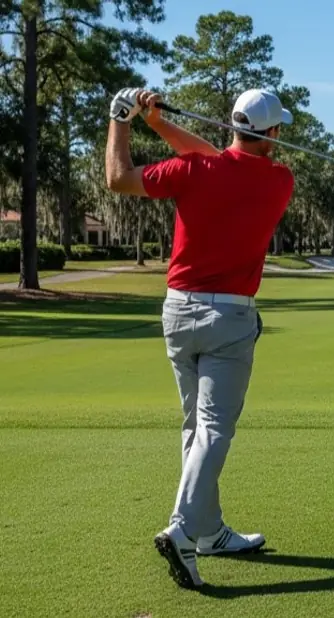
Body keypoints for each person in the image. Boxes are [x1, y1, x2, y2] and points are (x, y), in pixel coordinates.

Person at [104, 86, 295, 589]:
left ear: (233, 127)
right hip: (229, 318)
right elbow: (224, 161)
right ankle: (183, 530)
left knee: (194, 428)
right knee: (214, 429)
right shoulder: (280, 180)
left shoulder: (193, 171)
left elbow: (118, 178)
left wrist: (126, 120)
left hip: (176, 312)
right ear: (272, 134)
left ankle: (210, 532)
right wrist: (156, 121)